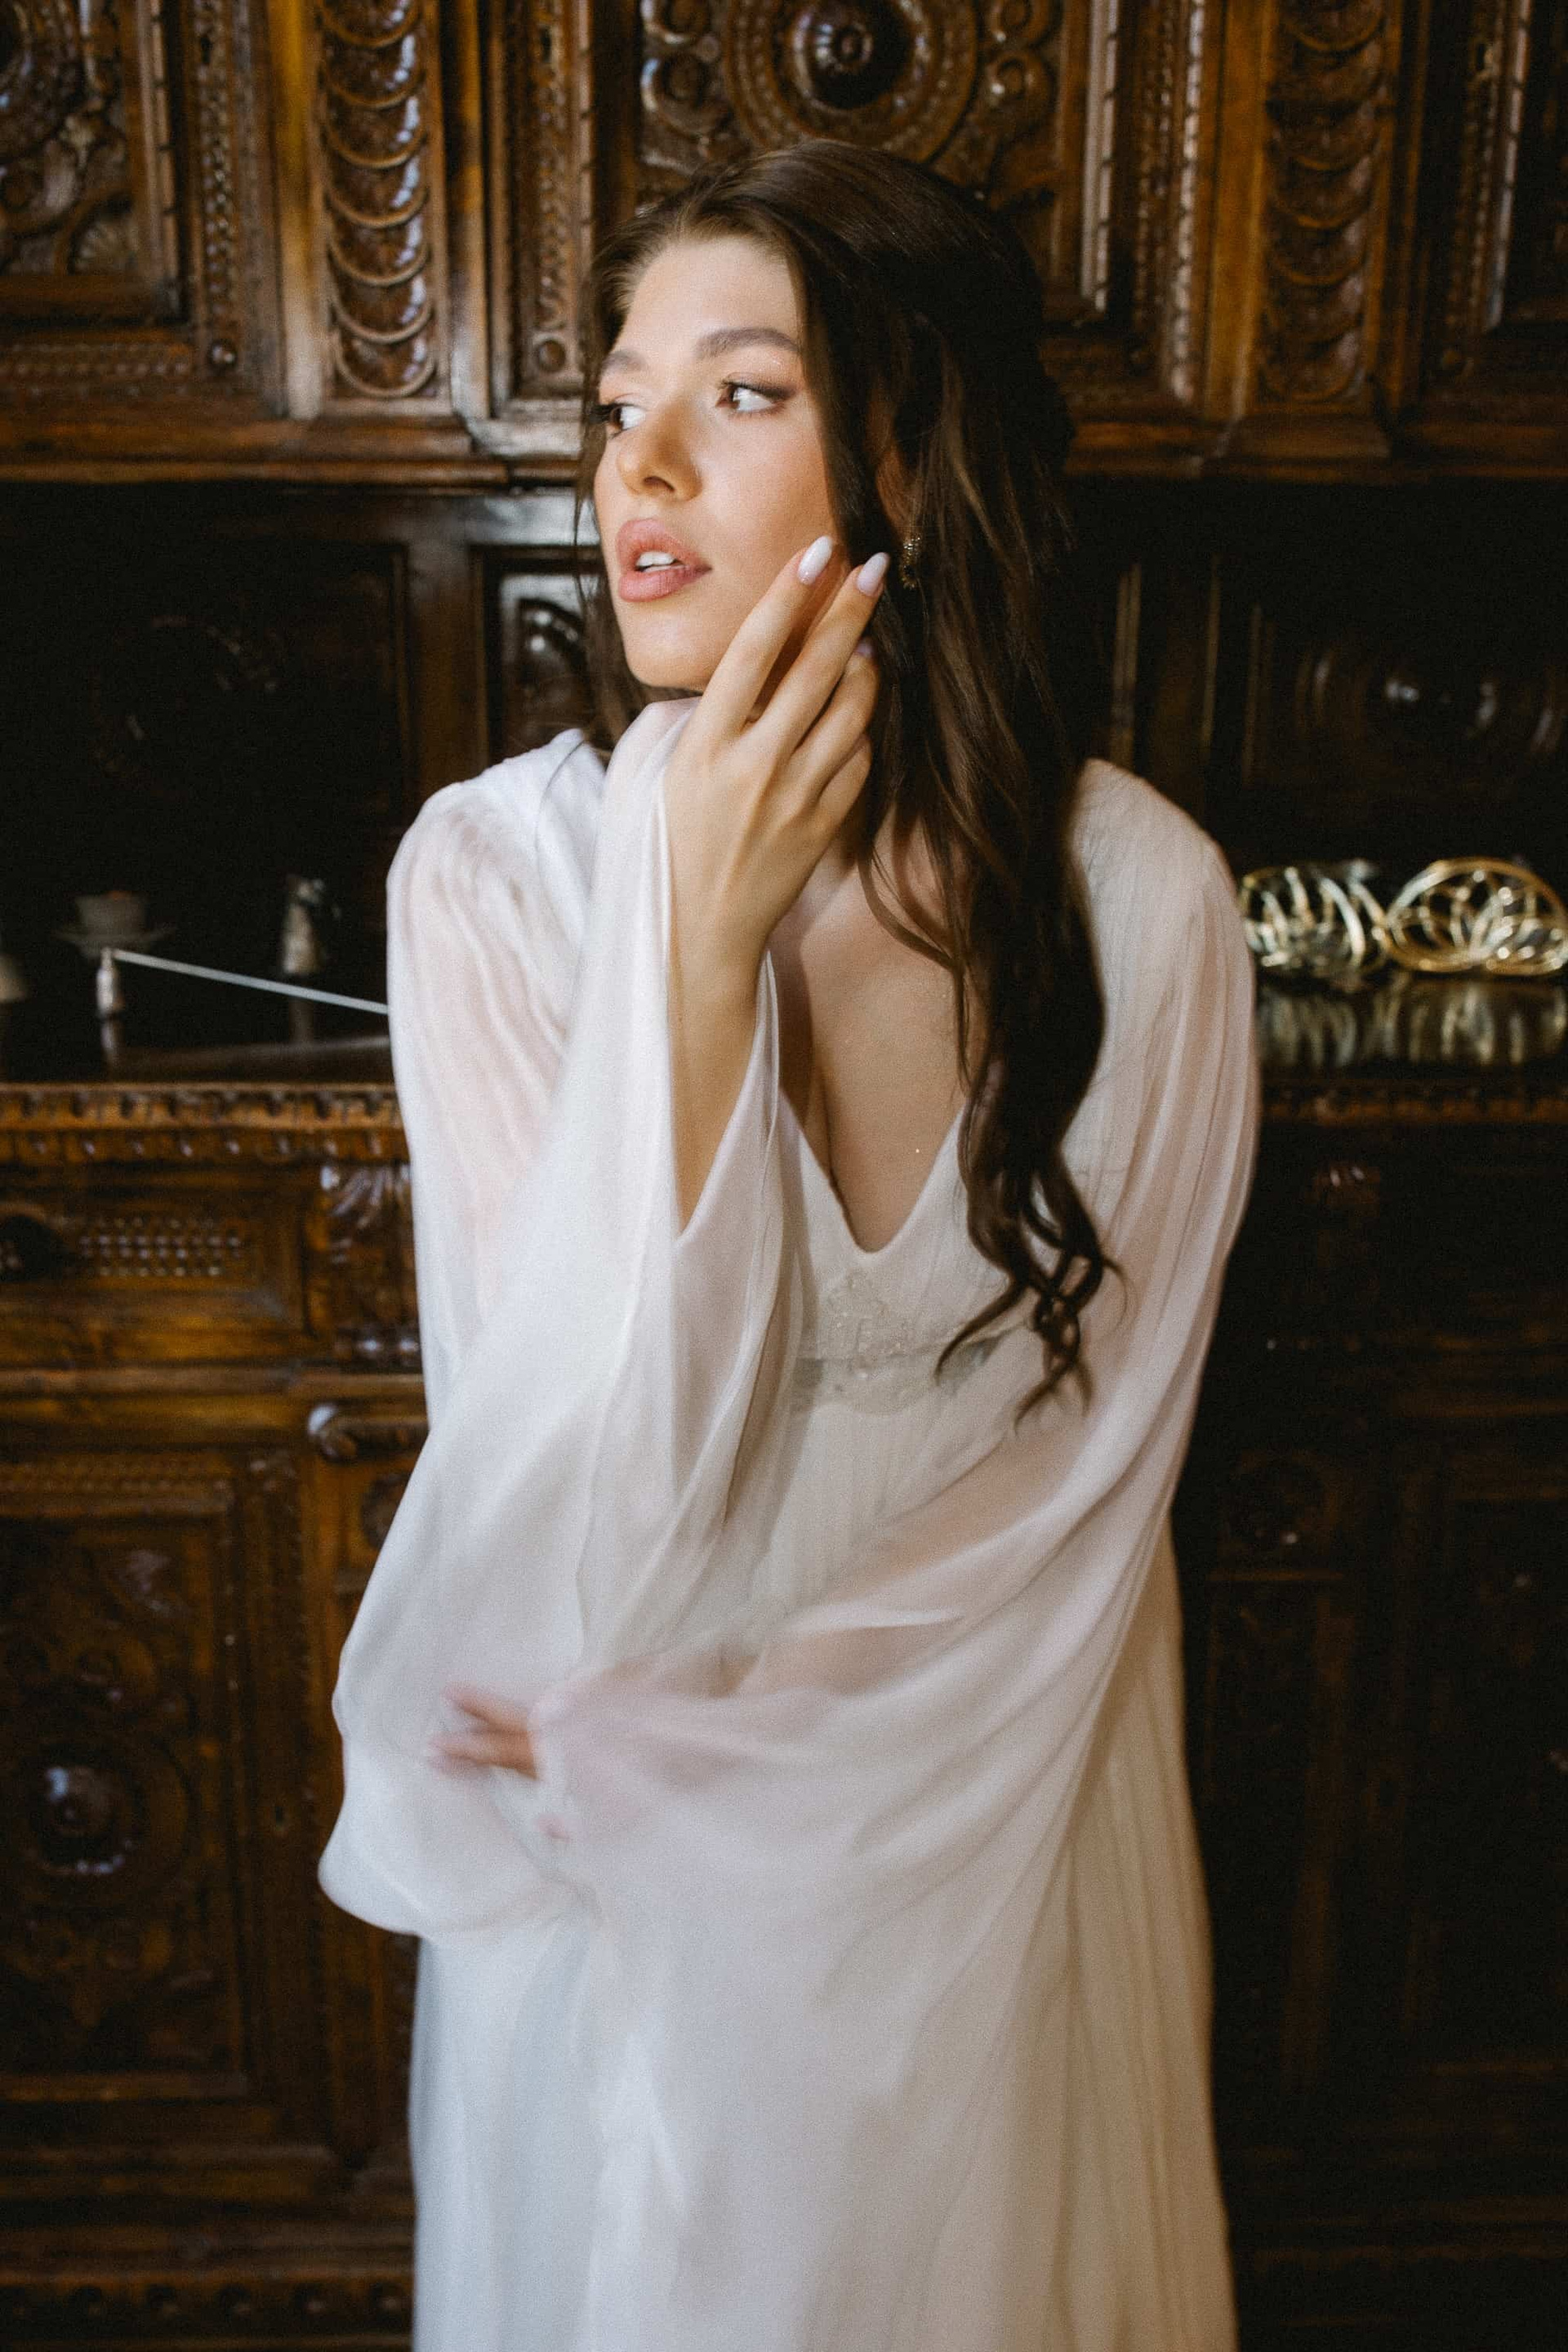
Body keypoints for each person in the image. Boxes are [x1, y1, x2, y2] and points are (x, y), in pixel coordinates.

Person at [318, 138, 1262, 2352]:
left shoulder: (1142, 898)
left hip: (997, 1751)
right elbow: (575, 1471)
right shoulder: (494, 884)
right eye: (619, 401)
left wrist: (766, 1748)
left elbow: (1098, 1469)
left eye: (739, 393)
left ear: (910, 462)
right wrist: (699, 951)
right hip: (614, 1749)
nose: (635, 466)